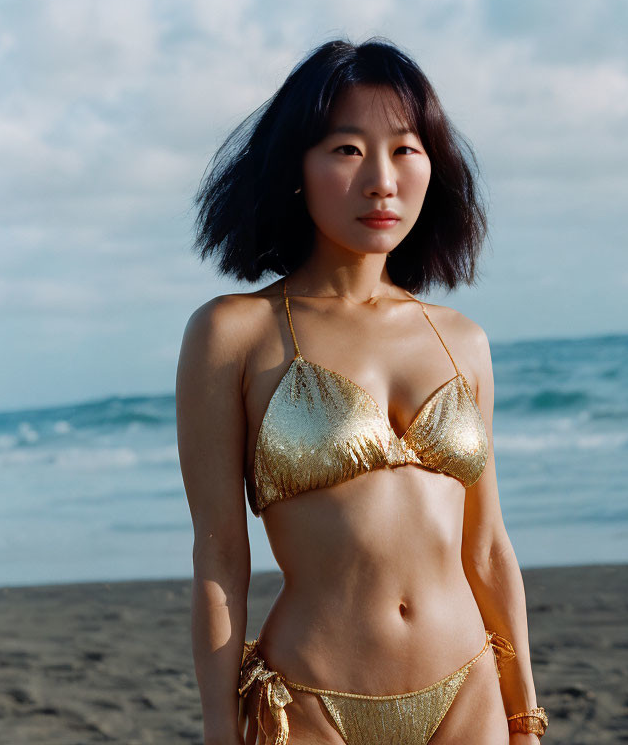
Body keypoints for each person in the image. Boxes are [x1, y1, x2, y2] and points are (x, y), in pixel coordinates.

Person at [176, 37, 548, 745]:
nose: (381, 179)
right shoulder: (235, 333)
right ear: (296, 168)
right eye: (347, 150)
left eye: (406, 149)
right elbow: (221, 557)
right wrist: (221, 729)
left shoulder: (460, 339)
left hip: (467, 691)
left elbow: (490, 548)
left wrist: (523, 714)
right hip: (311, 698)